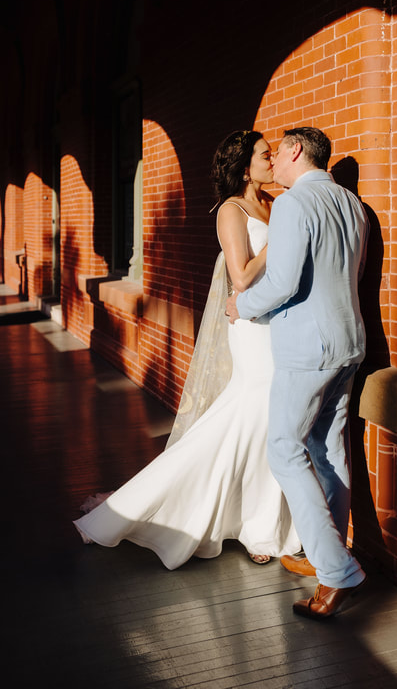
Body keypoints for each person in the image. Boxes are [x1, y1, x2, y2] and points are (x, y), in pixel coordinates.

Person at [73, 130, 300, 568]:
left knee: (266, 421)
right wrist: (279, 243)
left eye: (272, 155)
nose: (272, 162)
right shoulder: (231, 212)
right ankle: (144, 505)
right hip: (252, 328)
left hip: (279, 324)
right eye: (265, 156)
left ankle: (258, 523)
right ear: (243, 164)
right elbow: (241, 278)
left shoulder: (273, 204)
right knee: (252, 416)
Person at [226, 126, 369, 619]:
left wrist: (241, 306)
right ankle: (323, 554)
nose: (273, 162)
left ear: (294, 151)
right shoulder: (353, 204)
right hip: (350, 343)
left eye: (277, 151)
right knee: (329, 451)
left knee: (284, 450)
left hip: (309, 347)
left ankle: (337, 571)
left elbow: (283, 282)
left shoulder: (290, 205)